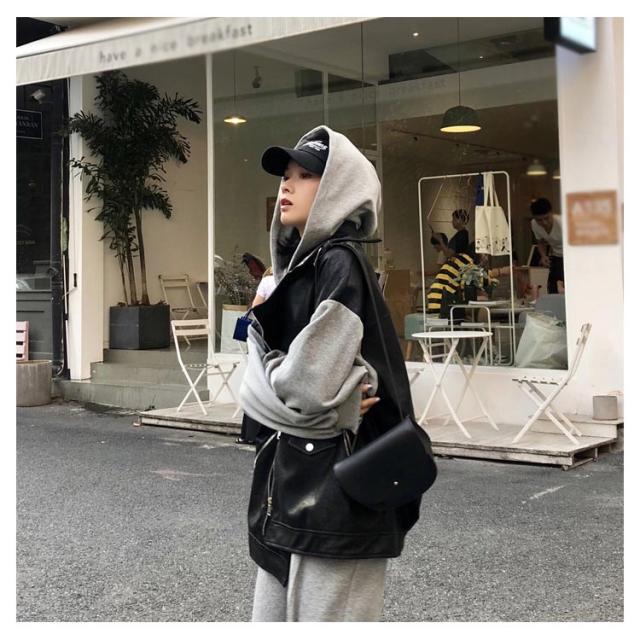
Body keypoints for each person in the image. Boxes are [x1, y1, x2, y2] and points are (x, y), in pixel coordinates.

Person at [239, 125, 419, 622]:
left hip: (338, 494)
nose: (287, 185)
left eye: (306, 175)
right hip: (298, 483)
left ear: (337, 187)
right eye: (286, 175)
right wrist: (284, 380)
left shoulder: (340, 263)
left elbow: (306, 386)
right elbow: (282, 384)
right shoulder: (301, 270)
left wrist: (267, 374)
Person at [236, 266, 277, 445]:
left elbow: (256, 308)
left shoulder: (267, 281)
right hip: (285, 340)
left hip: (265, 337)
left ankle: (250, 434)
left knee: (258, 381)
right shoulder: (295, 280)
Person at [530, 197, 564, 294]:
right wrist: (543, 256)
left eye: (547, 218)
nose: (544, 222)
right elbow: (540, 241)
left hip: (571, 256)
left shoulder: (562, 222)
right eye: (539, 220)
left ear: (552, 213)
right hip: (556, 256)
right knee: (553, 287)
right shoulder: (534, 224)